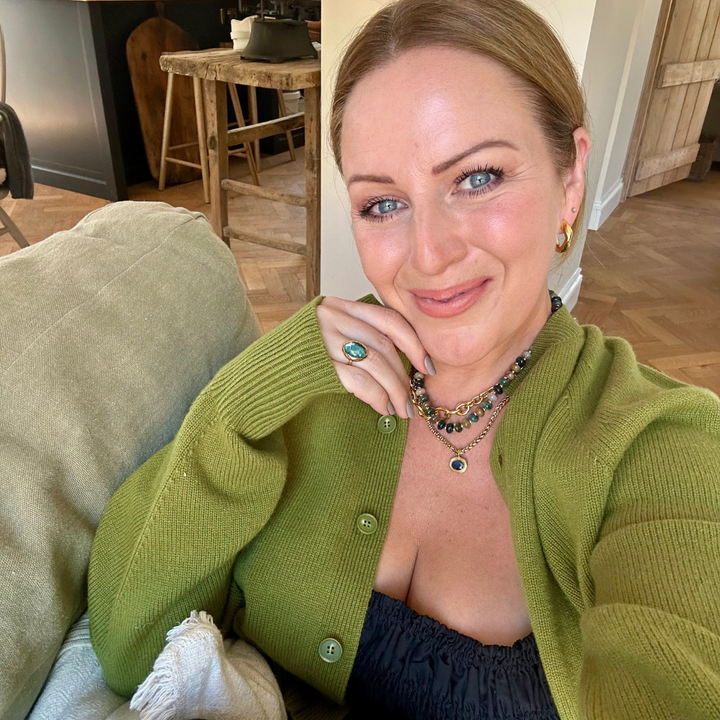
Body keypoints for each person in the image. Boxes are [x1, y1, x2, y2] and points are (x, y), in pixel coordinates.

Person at [88, 0, 720, 718]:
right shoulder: (301, 396)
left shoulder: (662, 448)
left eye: (478, 177)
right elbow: (132, 646)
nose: (429, 255)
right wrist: (246, 400)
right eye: (382, 204)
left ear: (570, 179)